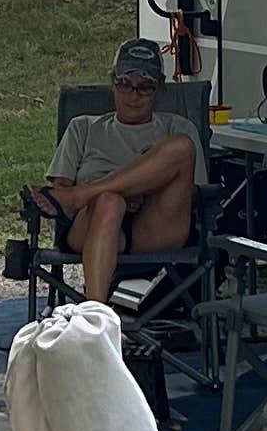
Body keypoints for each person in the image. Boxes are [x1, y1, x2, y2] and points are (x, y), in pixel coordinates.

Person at [27, 36, 199, 298]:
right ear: (112, 82)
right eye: (124, 84)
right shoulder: (83, 127)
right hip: (92, 223)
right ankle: (97, 315)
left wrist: (140, 192)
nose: (133, 95)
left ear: (160, 88)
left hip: (154, 225)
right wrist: (117, 195)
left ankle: (84, 193)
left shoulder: (177, 127)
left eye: (145, 87)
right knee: (109, 202)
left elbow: (193, 192)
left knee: (182, 147)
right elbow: (59, 189)